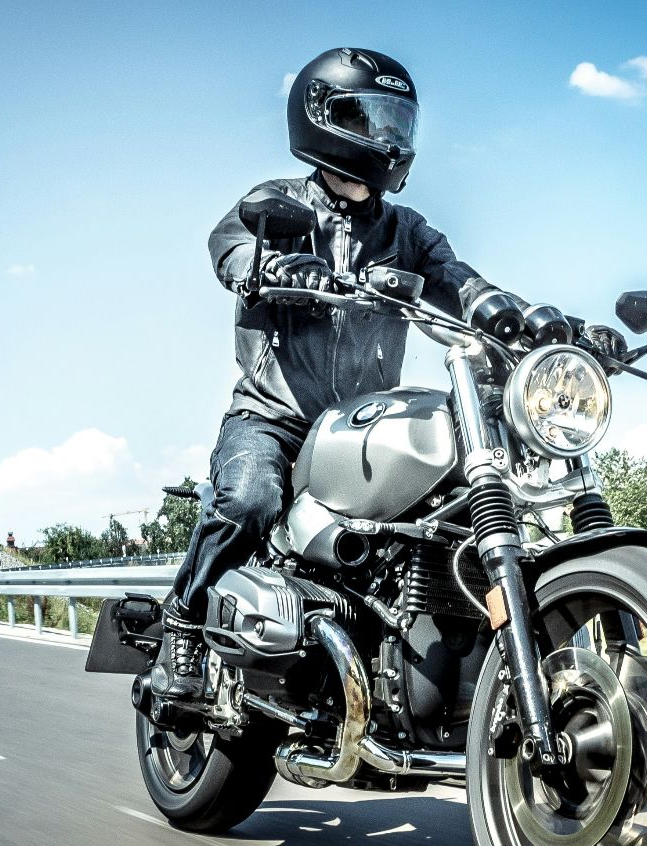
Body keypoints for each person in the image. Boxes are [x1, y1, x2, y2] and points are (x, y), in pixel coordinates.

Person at [152, 47, 530, 700]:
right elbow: (230, 245)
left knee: (449, 503)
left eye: (397, 122)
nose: (389, 137)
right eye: (370, 119)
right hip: (276, 416)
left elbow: (459, 280)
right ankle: (184, 616)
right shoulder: (275, 203)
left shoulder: (407, 230)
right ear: (323, 118)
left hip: (363, 427)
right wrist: (270, 267)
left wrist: (522, 318)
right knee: (248, 499)